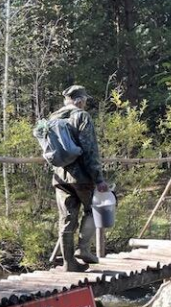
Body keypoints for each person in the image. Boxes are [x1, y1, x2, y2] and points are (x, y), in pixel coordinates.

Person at [49, 85, 109, 272]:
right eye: (85, 100)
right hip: (81, 176)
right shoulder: (82, 116)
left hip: (59, 176)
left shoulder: (52, 118)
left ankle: (69, 263)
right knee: (93, 210)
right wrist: (98, 178)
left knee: (66, 218)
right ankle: (83, 249)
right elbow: (89, 149)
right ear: (80, 100)